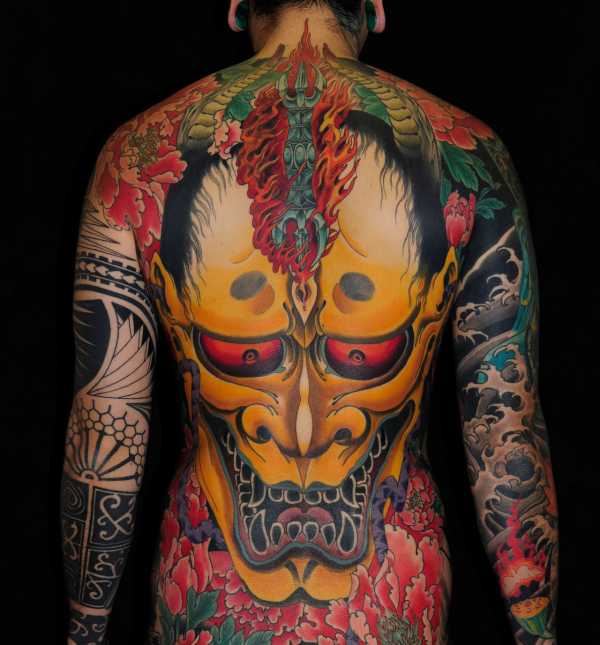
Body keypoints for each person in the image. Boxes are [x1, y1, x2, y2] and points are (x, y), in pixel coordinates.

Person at [60, 1, 560, 643]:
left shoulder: (135, 159)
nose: (302, 429)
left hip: (199, 606)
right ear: (376, 7)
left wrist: (85, 630)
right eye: (240, 352)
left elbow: (105, 423)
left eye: (365, 353)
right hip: (397, 611)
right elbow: (506, 428)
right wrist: (536, 633)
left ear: (237, 5)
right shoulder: (474, 153)